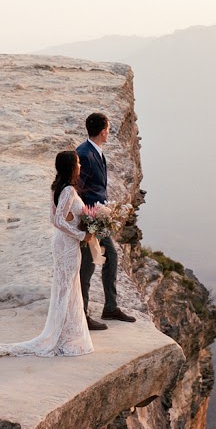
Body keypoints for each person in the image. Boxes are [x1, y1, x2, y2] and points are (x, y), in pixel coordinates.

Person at [0, 151, 95, 357]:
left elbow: (55, 217)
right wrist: (82, 235)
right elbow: (57, 220)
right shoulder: (69, 190)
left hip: (61, 242)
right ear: (71, 167)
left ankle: (67, 333)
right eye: (78, 163)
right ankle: (61, 336)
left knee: (67, 287)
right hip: (68, 244)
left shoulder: (57, 187)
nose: (80, 166)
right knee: (67, 289)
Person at [77, 112, 136, 329]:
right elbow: (76, 188)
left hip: (99, 219)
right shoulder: (84, 154)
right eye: (108, 129)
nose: (109, 132)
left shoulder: (95, 151)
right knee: (88, 266)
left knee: (110, 257)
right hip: (89, 220)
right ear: (103, 132)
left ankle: (110, 307)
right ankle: (82, 314)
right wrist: (86, 219)